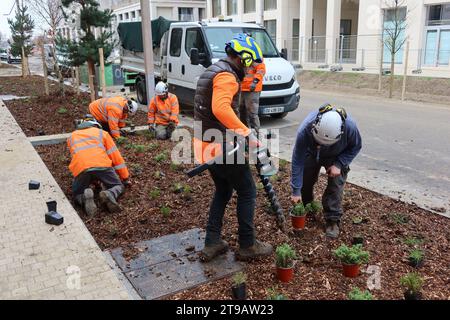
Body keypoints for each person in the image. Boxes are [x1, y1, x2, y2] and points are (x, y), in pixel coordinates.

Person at [193, 33, 273, 262]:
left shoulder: (212, 70)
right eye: (250, 63)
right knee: (248, 190)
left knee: (224, 190)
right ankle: (248, 244)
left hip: (204, 144)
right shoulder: (227, 76)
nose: (250, 69)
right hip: (221, 146)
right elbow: (220, 109)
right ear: (243, 58)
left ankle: (212, 242)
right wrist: (246, 133)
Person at [290, 104, 362, 238]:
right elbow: (297, 161)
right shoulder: (305, 129)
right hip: (310, 153)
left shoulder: (350, 127)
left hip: (336, 155)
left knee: (336, 184)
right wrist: (295, 191)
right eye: (319, 141)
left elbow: (356, 147)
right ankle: (306, 204)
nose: (321, 145)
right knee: (305, 180)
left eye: (325, 143)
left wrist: (339, 164)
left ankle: (332, 219)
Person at [67, 118, 130, 216]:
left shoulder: (72, 137)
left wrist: (93, 180)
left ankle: (83, 197)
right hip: (103, 165)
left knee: (77, 193)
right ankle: (110, 193)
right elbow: (116, 157)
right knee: (117, 186)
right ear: (96, 125)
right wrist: (125, 177)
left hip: (81, 168)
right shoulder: (102, 133)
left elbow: (80, 157)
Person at [240, 49, 266, 136]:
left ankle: (257, 135)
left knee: (252, 113)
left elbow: (261, 70)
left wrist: (254, 82)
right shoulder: (240, 53)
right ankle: (246, 133)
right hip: (241, 88)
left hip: (252, 89)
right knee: (242, 112)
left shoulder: (256, 55)